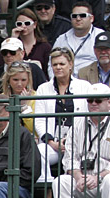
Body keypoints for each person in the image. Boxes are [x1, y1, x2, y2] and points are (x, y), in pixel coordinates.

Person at [35, 47, 92, 181]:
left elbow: (90, 116)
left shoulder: (84, 86)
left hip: (79, 143)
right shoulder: (43, 89)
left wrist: (71, 141)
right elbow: (39, 119)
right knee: (39, 152)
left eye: (62, 64)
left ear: (70, 64)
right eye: (55, 64)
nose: (58, 67)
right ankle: (47, 189)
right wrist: (51, 142)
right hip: (53, 143)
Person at [50, 2, 103, 77]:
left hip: (91, 82)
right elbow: (51, 63)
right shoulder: (62, 39)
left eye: (82, 16)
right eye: (74, 16)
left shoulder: (100, 36)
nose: (78, 19)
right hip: (65, 82)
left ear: (91, 18)